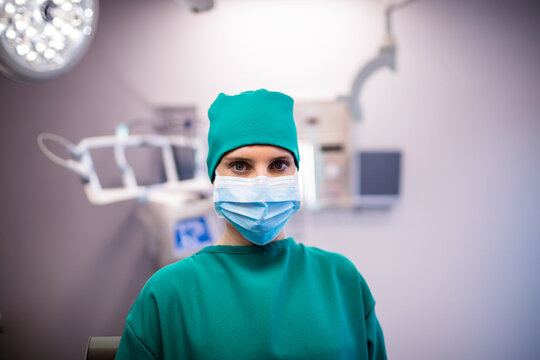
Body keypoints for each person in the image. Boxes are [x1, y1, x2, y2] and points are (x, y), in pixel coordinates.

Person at [115, 89, 387, 360]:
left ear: (296, 174)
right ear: (214, 178)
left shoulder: (341, 281)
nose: (261, 183)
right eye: (240, 166)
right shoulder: (167, 294)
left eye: (279, 165)